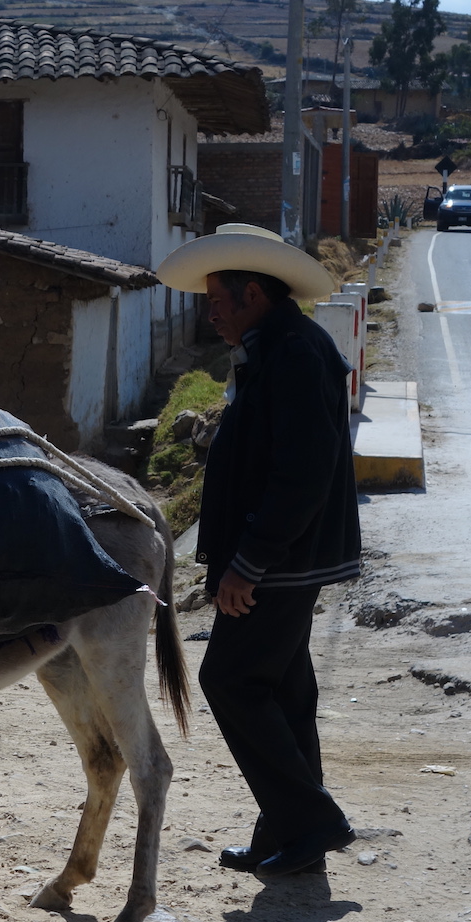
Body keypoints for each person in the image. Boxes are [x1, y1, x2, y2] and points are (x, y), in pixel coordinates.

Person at [156, 224, 361, 878]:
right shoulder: (271, 347)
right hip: (278, 556)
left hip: (281, 560)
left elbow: (301, 474)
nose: (210, 311)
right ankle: (287, 835)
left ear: (251, 295)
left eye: (218, 299)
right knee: (283, 688)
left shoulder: (295, 353)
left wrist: (248, 562)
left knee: (230, 680)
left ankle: (313, 821)